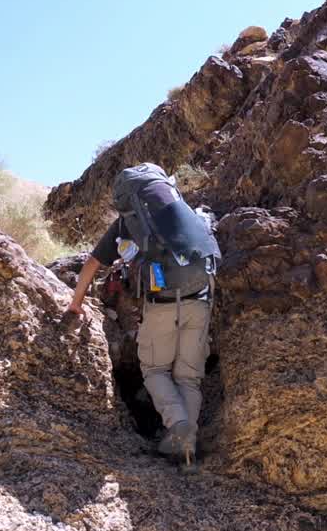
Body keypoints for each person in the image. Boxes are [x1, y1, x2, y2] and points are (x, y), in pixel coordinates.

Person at [65, 164, 218, 466]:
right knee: (189, 377)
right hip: (200, 299)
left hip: (161, 304)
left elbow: (93, 264)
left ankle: (177, 426)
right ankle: (187, 444)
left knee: (155, 370)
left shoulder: (127, 223)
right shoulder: (180, 208)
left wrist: (76, 302)